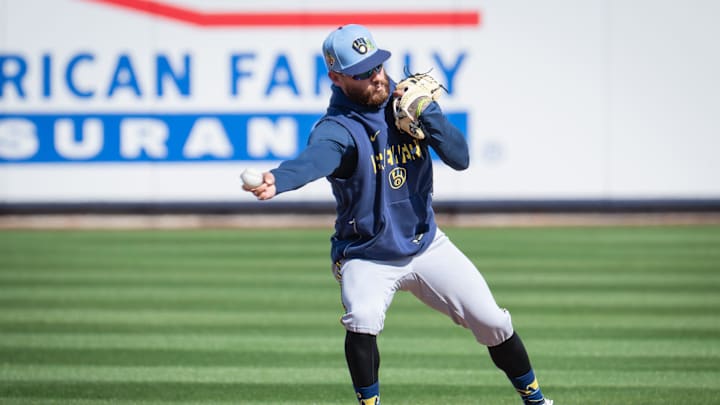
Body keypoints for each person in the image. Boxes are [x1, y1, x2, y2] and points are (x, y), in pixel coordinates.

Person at [243, 24, 553, 405]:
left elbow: (461, 159)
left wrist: (431, 115)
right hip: (366, 253)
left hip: (426, 244)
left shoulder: (408, 103)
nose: (376, 76)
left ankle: (536, 400)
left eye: (377, 65)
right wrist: (281, 178)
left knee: (493, 321)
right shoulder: (339, 128)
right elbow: (317, 158)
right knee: (363, 318)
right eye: (362, 73)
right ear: (337, 78)